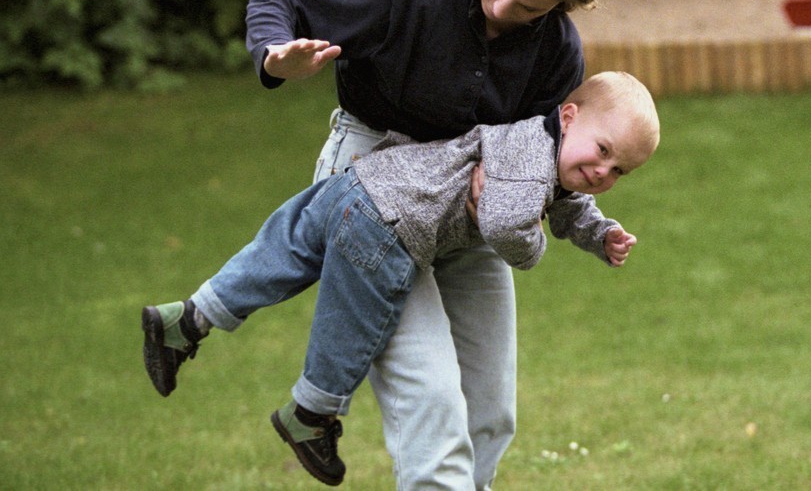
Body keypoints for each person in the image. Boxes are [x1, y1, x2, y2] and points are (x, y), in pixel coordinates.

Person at [166, 0, 612, 489]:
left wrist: (527, 202)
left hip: (471, 203)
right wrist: (276, 57)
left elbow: (542, 155)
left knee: (490, 414)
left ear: (560, 7)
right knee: (432, 406)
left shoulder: (558, 51)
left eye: (529, 9)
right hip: (374, 196)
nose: (503, 8)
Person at [142, 71, 660, 486]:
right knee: (359, 323)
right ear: (568, 117)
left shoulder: (541, 147)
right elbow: (506, 225)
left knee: (285, 252)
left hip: (358, 182)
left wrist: (600, 234)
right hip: (390, 228)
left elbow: (566, 203)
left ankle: (188, 318)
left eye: (620, 172)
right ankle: (310, 414)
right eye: (604, 151)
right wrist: (536, 245)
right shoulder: (530, 163)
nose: (603, 172)